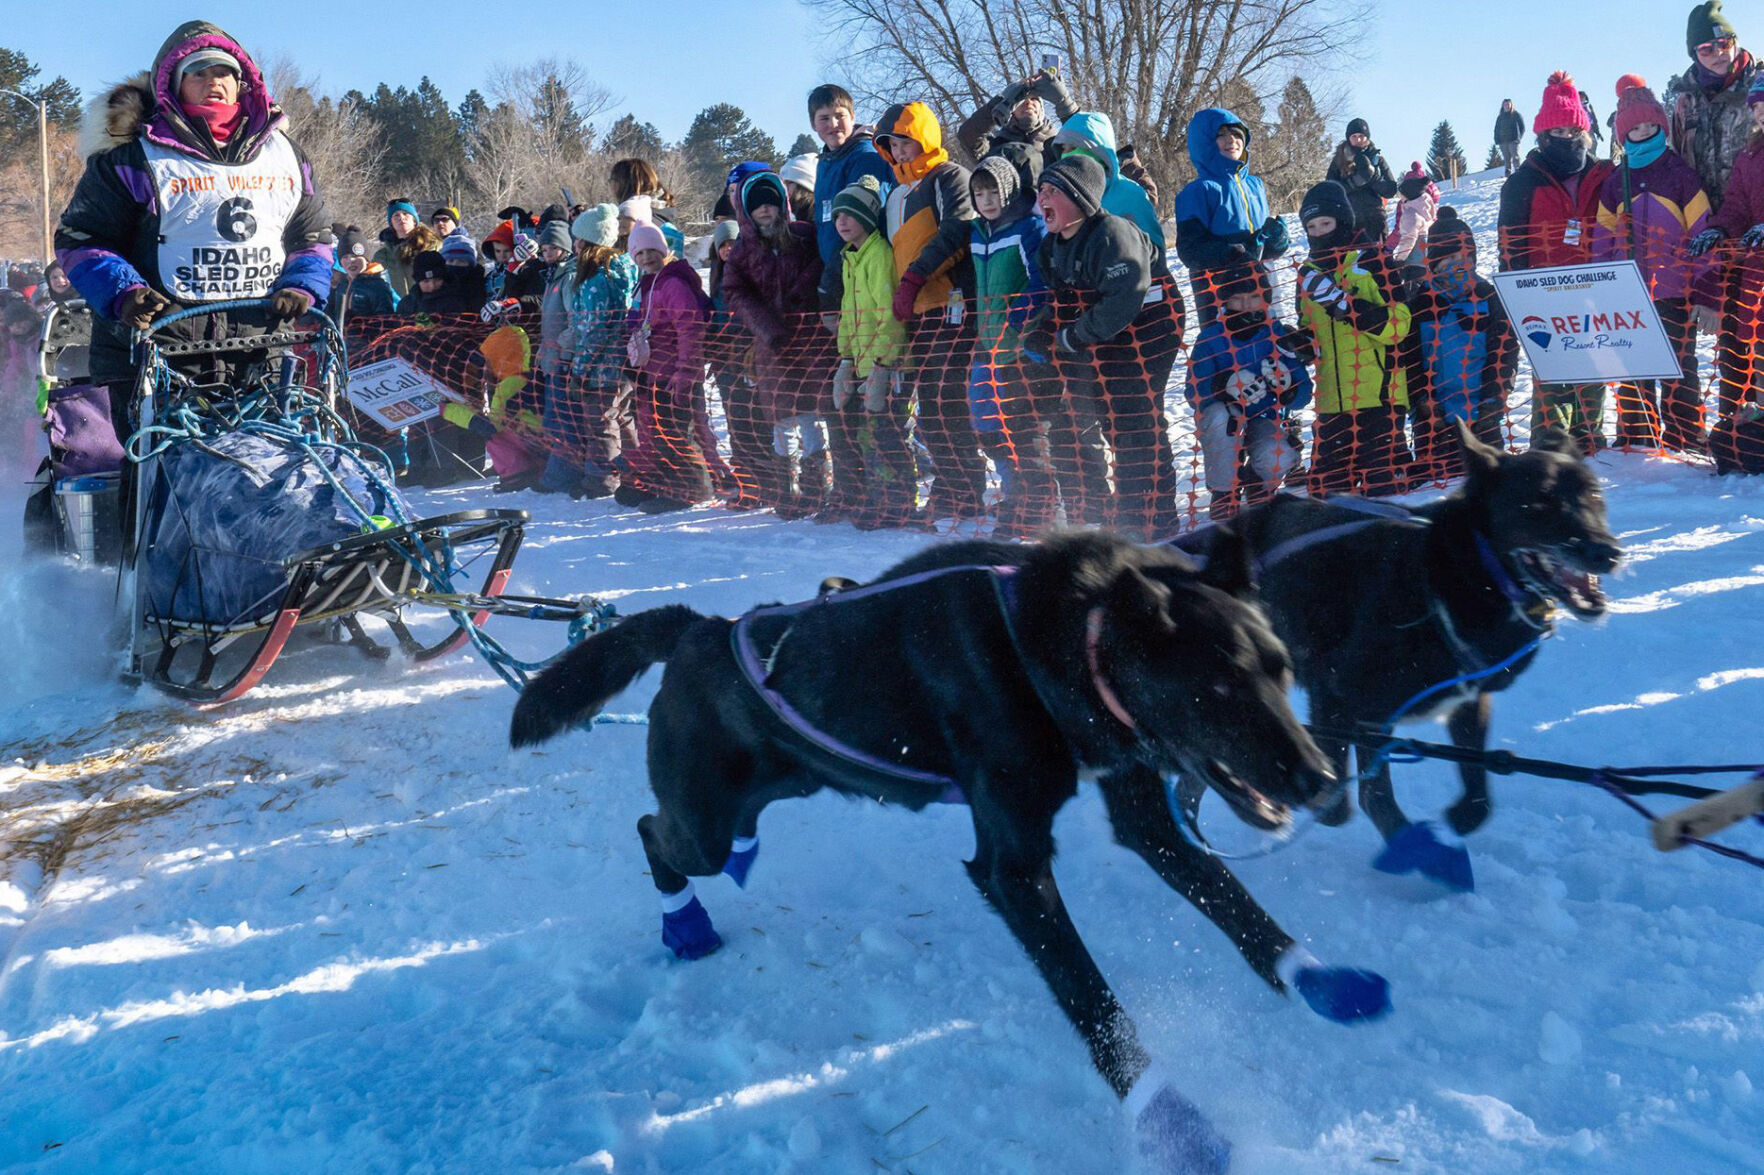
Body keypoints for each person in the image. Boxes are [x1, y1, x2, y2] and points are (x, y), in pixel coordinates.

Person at [53, 20, 332, 468]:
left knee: (270, 470)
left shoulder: (285, 154)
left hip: (260, 345)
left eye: (224, 73)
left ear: (242, 84)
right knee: (161, 481)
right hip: (156, 349)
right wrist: (124, 292)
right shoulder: (133, 156)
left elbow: (312, 236)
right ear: (173, 83)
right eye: (198, 72)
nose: (213, 82)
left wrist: (302, 285)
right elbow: (82, 239)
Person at [1028, 152, 1185, 537]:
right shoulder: (1052, 246)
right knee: (1102, 412)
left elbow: (1125, 296)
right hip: (1108, 330)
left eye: (1054, 191)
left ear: (1080, 197)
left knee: (1134, 415)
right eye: (1041, 191)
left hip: (1152, 326)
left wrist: (1075, 336)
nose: (1043, 198)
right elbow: (1063, 300)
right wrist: (1043, 330)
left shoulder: (1112, 233)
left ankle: (1151, 517)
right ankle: (1125, 508)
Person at [878, 101, 989, 523]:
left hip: (952, 303)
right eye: (892, 145)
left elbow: (957, 231)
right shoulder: (895, 194)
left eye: (905, 142)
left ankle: (966, 490)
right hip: (917, 312)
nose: (901, 151)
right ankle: (949, 488)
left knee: (948, 403)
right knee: (930, 406)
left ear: (922, 138)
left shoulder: (948, 177)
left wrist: (916, 278)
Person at [1593, 79, 1716, 453]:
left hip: (1673, 292)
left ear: (1661, 126)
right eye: (1635, 127)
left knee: (1679, 367)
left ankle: (1684, 435)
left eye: (1650, 125)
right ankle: (1636, 437)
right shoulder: (1616, 183)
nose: (1644, 132)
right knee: (1632, 369)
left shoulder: (1679, 174)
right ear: (1623, 133)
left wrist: (1707, 291)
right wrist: (1604, 288)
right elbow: (1602, 240)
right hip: (1628, 295)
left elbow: (1703, 233)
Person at [1498, 70, 1615, 449]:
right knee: (1553, 370)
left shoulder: (1604, 175)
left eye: (1572, 131)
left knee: (1594, 365)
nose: (1567, 139)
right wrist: (1518, 292)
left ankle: (1589, 437)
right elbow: (1509, 243)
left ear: (1584, 131)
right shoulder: (1523, 182)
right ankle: (1549, 444)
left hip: (1596, 290)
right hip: (1544, 293)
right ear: (1543, 135)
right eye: (1557, 133)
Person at [964, 143, 1059, 537]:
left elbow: (1041, 280)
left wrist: (1017, 320)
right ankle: (1015, 494)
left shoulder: (1028, 228)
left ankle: (1042, 510)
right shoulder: (977, 234)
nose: (986, 201)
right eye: (979, 194)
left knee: (1025, 431)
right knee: (986, 423)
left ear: (1007, 191)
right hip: (988, 346)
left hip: (1020, 348)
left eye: (992, 193)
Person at [1295, 179, 1413, 496]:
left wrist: (1349, 309)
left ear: (1343, 221)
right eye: (1312, 226)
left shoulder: (1372, 261)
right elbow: (1309, 325)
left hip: (1379, 397)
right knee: (1325, 495)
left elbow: (1400, 324)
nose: (1319, 232)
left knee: (1384, 490)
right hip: (1332, 402)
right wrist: (1301, 344)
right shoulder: (1308, 275)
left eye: (1326, 223)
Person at [720, 170, 827, 516]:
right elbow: (735, 291)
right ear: (747, 211)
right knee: (781, 418)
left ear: (782, 203)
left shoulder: (803, 235)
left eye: (770, 202)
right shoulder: (742, 250)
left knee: (811, 414)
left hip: (809, 342)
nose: (765, 210)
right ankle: (786, 488)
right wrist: (766, 327)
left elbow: (822, 263)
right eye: (757, 205)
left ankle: (816, 486)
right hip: (773, 346)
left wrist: (801, 294)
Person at [1398, 207, 1518, 476]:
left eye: (1466, 259)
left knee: (1491, 478)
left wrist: (1495, 396)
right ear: (1435, 263)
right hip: (1435, 418)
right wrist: (1422, 400)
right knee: (1439, 480)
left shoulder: (1489, 297)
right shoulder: (1420, 304)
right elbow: (1411, 359)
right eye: (1450, 260)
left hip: (1482, 412)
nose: (1459, 266)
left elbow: (1505, 350)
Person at [1186, 263, 1312, 520]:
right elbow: (1193, 393)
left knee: (1278, 457)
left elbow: (1304, 394)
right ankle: (1224, 491)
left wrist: (1288, 389)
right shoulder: (1211, 337)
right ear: (1226, 301)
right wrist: (1222, 385)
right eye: (1237, 299)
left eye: (1253, 297)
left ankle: (1258, 479)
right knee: (1219, 417)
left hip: (1265, 419)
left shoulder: (1277, 333)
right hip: (1228, 419)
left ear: (1264, 298)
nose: (1246, 306)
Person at [831, 175, 914, 525]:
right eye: (837, 216)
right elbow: (849, 317)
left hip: (888, 366)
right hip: (863, 364)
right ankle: (878, 499)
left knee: (890, 433)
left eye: (849, 215)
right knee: (867, 435)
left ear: (866, 217)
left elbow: (890, 314)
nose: (842, 222)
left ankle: (900, 501)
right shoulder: (851, 258)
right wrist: (846, 360)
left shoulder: (878, 254)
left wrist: (882, 363)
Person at [620, 222, 719, 513]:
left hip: (676, 374)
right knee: (658, 432)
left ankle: (691, 488)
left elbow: (689, 327)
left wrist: (686, 370)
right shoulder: (649, 285)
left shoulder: (672, 284)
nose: (647, 257)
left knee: (677, 433)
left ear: (664, 251)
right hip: (656, 374)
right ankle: (665, 483)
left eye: (653, 251)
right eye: (640, 253)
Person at [1696, 72, 1764, 464]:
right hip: (1756, 272)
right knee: (1756, 352)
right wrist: (1720, 227)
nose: (1761, 113)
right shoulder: (1749, 156)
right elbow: (1738, 204)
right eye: (1757, 107)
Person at [1174, 107, 1289, 325]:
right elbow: (1190, 251)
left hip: (1260, 283)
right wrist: (1233, 253)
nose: (1232, 140)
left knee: (1271, 343)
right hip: (1220, 290)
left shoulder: (1255, 185)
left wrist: (1278, 240)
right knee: (1228, 351)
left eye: (1237, 134)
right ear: (1205, 142)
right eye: (1222, 135)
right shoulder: (1197, 191)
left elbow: (1265, 244)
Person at [806, 84, 896, 320]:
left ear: (853, 117)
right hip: (843, 272)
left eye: (839, 116)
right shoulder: (827, 162)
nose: (833, 124)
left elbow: (860, 224)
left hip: (866, 270)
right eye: (824, 118)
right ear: (813, 124)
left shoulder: (865, 157)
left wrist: (830, 283)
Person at [1664, 0, 1764, 207]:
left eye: (1723, 43)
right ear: (1695, 55)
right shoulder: (1686, 102)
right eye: (1706, 49)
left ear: (1735, 42)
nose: (1718, 53)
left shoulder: (1759, 85)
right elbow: (1676, 160)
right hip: (1705, 220)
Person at [1050, 111, 1166, 251]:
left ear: (1097, 150)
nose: (1066, 154)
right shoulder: (1064, 198)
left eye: (1074, 147)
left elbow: (1154, 250)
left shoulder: (1130, 194)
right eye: (1063, 149)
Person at [957, 65, 1079, 168]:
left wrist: (1065, 103)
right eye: (1021, 101)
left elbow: (1088, 147)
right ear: (1011, 110)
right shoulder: (995, 150)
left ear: (1041, 109)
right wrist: (1000, 101)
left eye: (1034, 99)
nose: (1028, 103)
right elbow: (967, 136)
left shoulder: (1060, 145)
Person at [1326, 118, 1399, 243]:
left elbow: (1391, 190)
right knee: (1348, 261)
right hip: (1348, 220)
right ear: (1348, 138)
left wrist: (1374, 177)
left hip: (1375, 219)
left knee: (1378, 260)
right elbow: (1330, 190)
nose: (1358, 140)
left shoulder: (1377, 159)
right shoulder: (1339, 160)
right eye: (1354, 136)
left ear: (1367, 137)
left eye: (1361, 136)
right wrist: (1354, 182)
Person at [610, 158, 687, 257]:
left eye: (611, 181)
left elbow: (621, 256)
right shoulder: (662, 211)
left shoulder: (630, 212)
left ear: (620, 183)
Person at [329, 226, 398, 331]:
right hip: (345, 342)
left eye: (355, 256)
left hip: (368, 342)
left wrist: (358, 326)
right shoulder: (342, 286)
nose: (350, 260)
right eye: (345, 257)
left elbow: (386, 323)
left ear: (366, 259)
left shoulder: (378, 287)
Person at [373, 198, 440, 300]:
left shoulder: (432, 246)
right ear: (391, 223)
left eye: (405, 214)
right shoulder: (382, 256)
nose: (401, 218)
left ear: (414, 220)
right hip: (396, 310)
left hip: (428, 305)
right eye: (396, 215)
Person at [1386, 162, 1440, 271]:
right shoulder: (1429, 205)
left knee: (1412, 283)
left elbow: (1404, 234)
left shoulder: (1409, 211)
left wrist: (1393, 252)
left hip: (1414, 260)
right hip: (1431, 256)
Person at [780, 153, 818, 222]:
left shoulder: (819, 216)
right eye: (783, 183)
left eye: (789, 183)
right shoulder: (784, 211)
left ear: (803, 186)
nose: (784, 187)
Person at [1495, 99, 1526, 176]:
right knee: (1506, 159)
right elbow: (1496, 129)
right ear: (1503, 106)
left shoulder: (1516, 115)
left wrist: (1518, 138)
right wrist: (1497, 139)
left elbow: (1522, 127)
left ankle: (1518, 172)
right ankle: (1507, 173)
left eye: (1508, 104)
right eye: (1505, 104)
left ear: (1511, 105)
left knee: (1515, 157)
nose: (1507, 106)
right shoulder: (1500, 117)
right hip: (1503, 141)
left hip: (1513, 140)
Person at [1581, 92, 1605, 157]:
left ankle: (1592, 159)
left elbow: (1594, 119)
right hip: (1581, 127)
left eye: (1583, 97)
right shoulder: (1576, 106)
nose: (1582, 98)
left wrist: (1598, 132)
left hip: (1590, 127)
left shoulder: (1588, 106)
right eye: (1580, 97)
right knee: (1583, 143)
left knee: (1593, 143)